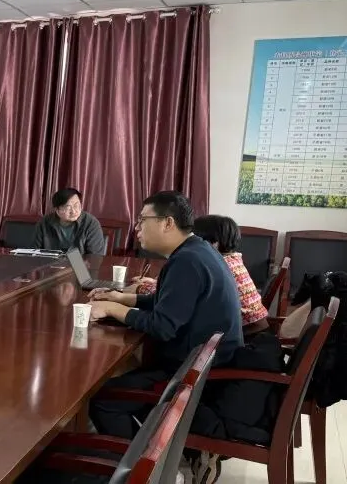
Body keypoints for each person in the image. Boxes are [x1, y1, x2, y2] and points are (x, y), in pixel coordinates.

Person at [87, 191, 242, 484]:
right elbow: (170, 303)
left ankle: (145, 473)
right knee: (125, 374)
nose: (137, 228)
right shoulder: (196, 250)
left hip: (195, 373)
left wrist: (112, 309)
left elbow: (164, 325)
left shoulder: (186, 261)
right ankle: (147, 460)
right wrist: (123, 299)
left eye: (142, 220)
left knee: (105, 398)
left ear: (168, 223)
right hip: (207, 362)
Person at [135, 215, 269, 336]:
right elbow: (189, 288)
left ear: (213, 243)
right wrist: (154, 282)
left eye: (197, 239)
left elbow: (174, 296)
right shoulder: (232, 260)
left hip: (243, 336)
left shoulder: (214, 264)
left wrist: (140, 288)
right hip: (247, 329)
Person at [30, 188, 106, 254]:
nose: (73, 211)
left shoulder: (90, 223)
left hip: (80, 265)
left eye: (76, 206)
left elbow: (95, 256)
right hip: (49, 264)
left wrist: (79, 265)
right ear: (57, 210)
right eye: (68, 207)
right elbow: (34, 252)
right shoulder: (44, 223)